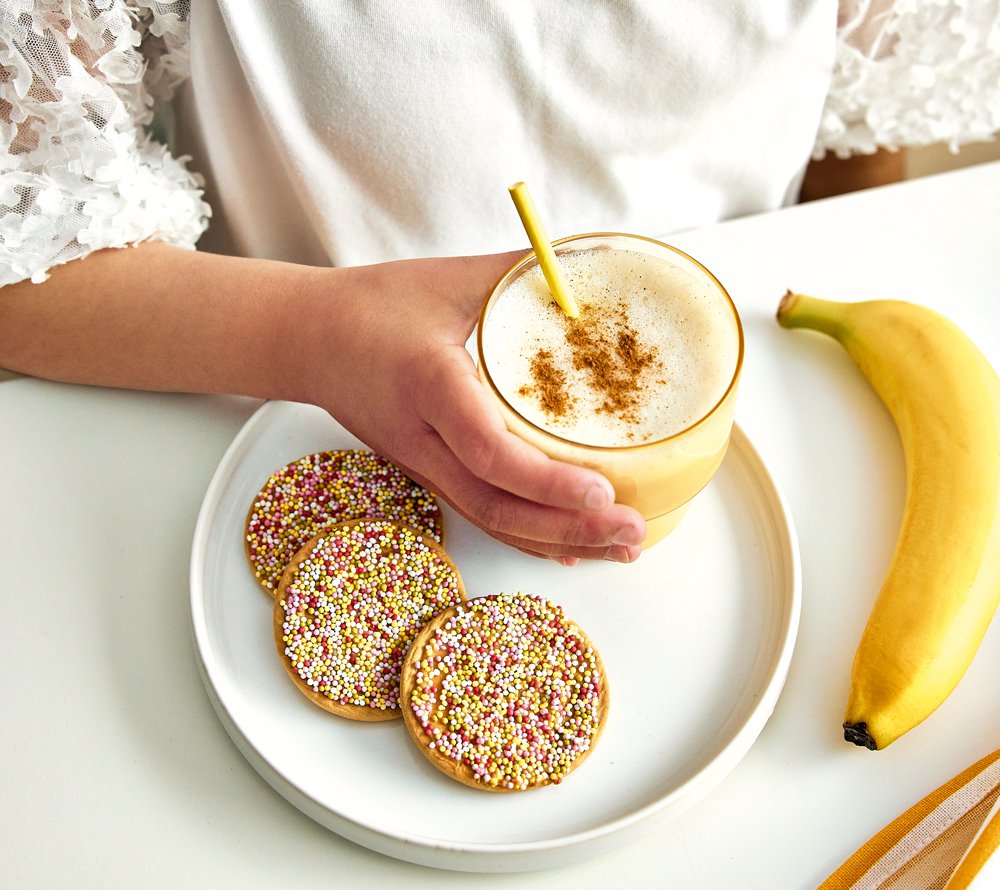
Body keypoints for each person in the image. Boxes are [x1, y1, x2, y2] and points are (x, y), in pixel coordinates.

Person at [2, 1, 997, 564]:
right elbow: (21, 250)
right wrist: (312, 334)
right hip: (275, 437)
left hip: (754, 496)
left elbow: (864, 133)